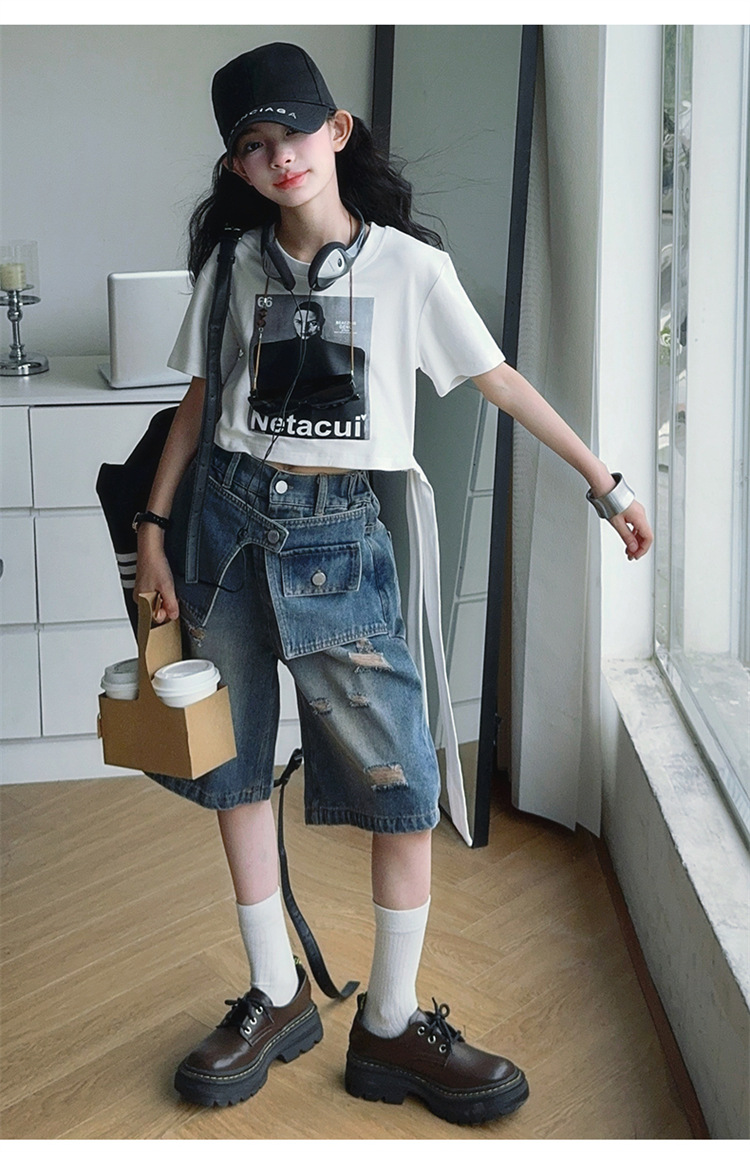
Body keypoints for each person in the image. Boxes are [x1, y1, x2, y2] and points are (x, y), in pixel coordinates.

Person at [134, 42, 653, 1127]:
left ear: (338, 131)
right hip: (224, 528)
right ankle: (275, 993)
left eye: (294, 132)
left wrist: (603, 483)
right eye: (253, 145)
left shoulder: (410, 268)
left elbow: (495, 376)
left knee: (403, 784)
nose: (280, 156)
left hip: (338, 540)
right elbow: (199, 399)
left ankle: (391, 1021)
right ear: (236, 166)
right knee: (230, 766)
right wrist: (154, 529)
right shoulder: (232, 266)